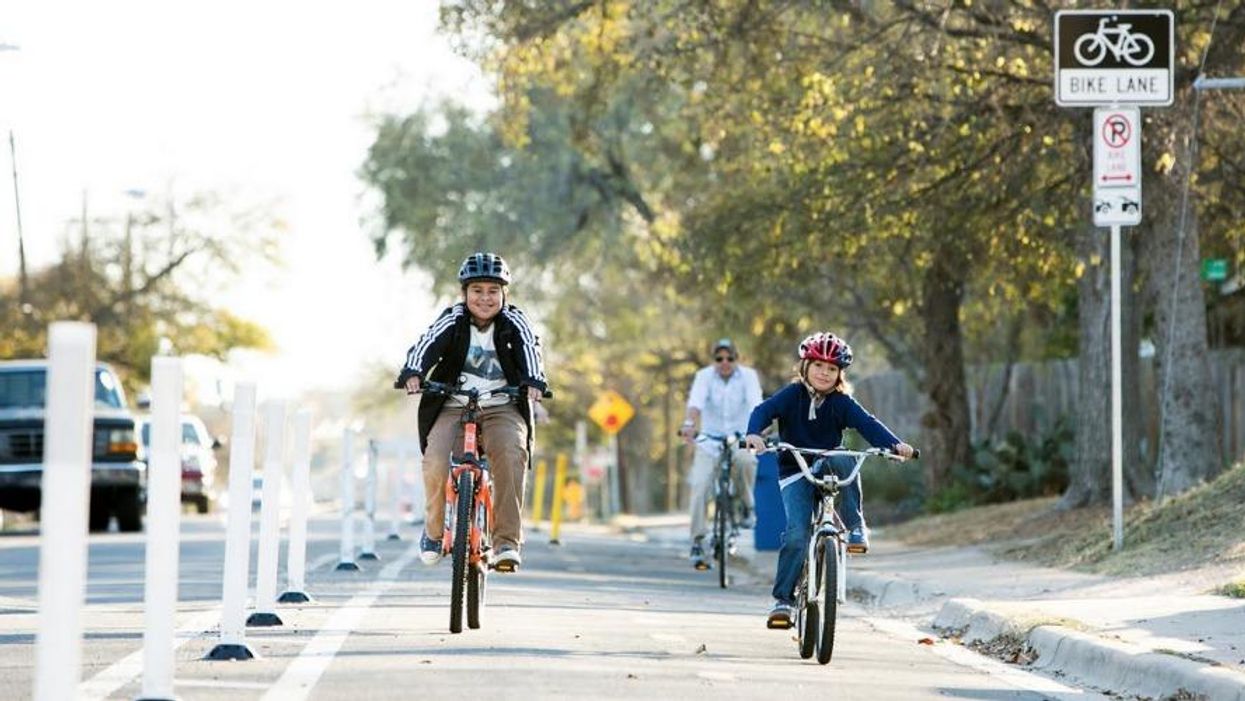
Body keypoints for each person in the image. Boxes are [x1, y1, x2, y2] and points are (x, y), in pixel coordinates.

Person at [743, 332, 914, 628]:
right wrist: (754, 433)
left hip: (827, 465)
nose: (824, 373)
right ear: (805, 366)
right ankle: (783, 601)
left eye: (832, 368)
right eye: (818, 365)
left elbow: (868, 425)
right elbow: (763, 411)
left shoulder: (841, 402)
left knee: (844, 456)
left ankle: (856, 526)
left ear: (840, 374)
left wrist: (895, 445)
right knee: (797, 534)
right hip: (794, 469)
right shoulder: (791, 395)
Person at [395, 252, 549, 573]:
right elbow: (426, 344)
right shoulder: (452, 318)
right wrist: (413, 372)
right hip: (454, 404)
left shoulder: (514, 321)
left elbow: (531, 349)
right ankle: (435, 533)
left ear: (504, 293)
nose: (485, 298)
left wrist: (534, 381)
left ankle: (506, 543)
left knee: (511, 453)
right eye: (476, 290)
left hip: (501, 406)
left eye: (493, 291)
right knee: (435, 460)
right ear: (464, 293)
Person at [679, 338, 763, 570]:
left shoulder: (748, 376)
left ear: (737, 359)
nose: (724, 362)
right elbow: (695, 404)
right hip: (710, 441)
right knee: (699, 486)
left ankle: (747, 506)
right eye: (719, 359)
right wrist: (688, 424)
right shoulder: (704, 376)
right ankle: (697, 541)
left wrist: (757, 431)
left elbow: (756, 404)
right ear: (714, 360)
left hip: (741, 437)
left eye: (729, 358)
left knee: (747, 460)